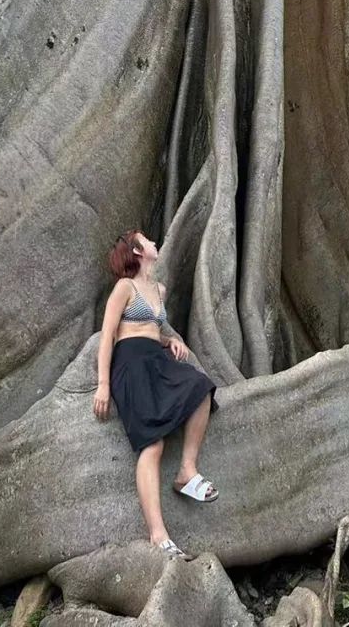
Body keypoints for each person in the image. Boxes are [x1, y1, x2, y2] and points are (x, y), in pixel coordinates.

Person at [94, 229, 219, 558]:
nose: (154, 242)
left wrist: (169, 340)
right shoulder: (125, 287)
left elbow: (152, 329)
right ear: (137, 251)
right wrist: (103, 384)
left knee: (200, 387)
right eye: (146, 239)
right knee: (153, 443)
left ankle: (187, 471)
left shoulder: (158, 290)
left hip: (157, 360)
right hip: (130, 365)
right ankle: (158, 535)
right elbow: (109, 335)